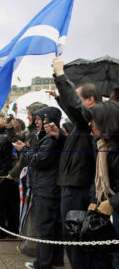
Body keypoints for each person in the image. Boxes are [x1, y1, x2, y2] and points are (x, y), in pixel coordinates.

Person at [52, 56, 102, 269]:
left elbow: (74, 107)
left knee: (76, 238)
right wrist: (60, 137)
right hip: (72, 184)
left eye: (80, 99)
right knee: (72, 236)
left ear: (90, 100)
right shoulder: (83, 124)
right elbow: (72, 108)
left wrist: (61, 75)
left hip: (79, 187)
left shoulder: (93, 118)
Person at [13, 106, 64, 269]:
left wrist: (25, 150)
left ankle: (42, 263)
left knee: (45, 227)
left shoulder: (49, 139)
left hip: (46, 187)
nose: (36, 122)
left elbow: (40, 160)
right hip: (47, 186)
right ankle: (55, 260)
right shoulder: (47, 137)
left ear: (48, 120)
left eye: (39, 119)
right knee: (52, 227)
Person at [88, 101, 119, 267]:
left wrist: (113, 203)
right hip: (106, 210)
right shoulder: (101, 145)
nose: (91, 124)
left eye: (95, 119)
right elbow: (97, 178)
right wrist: (95, 200)